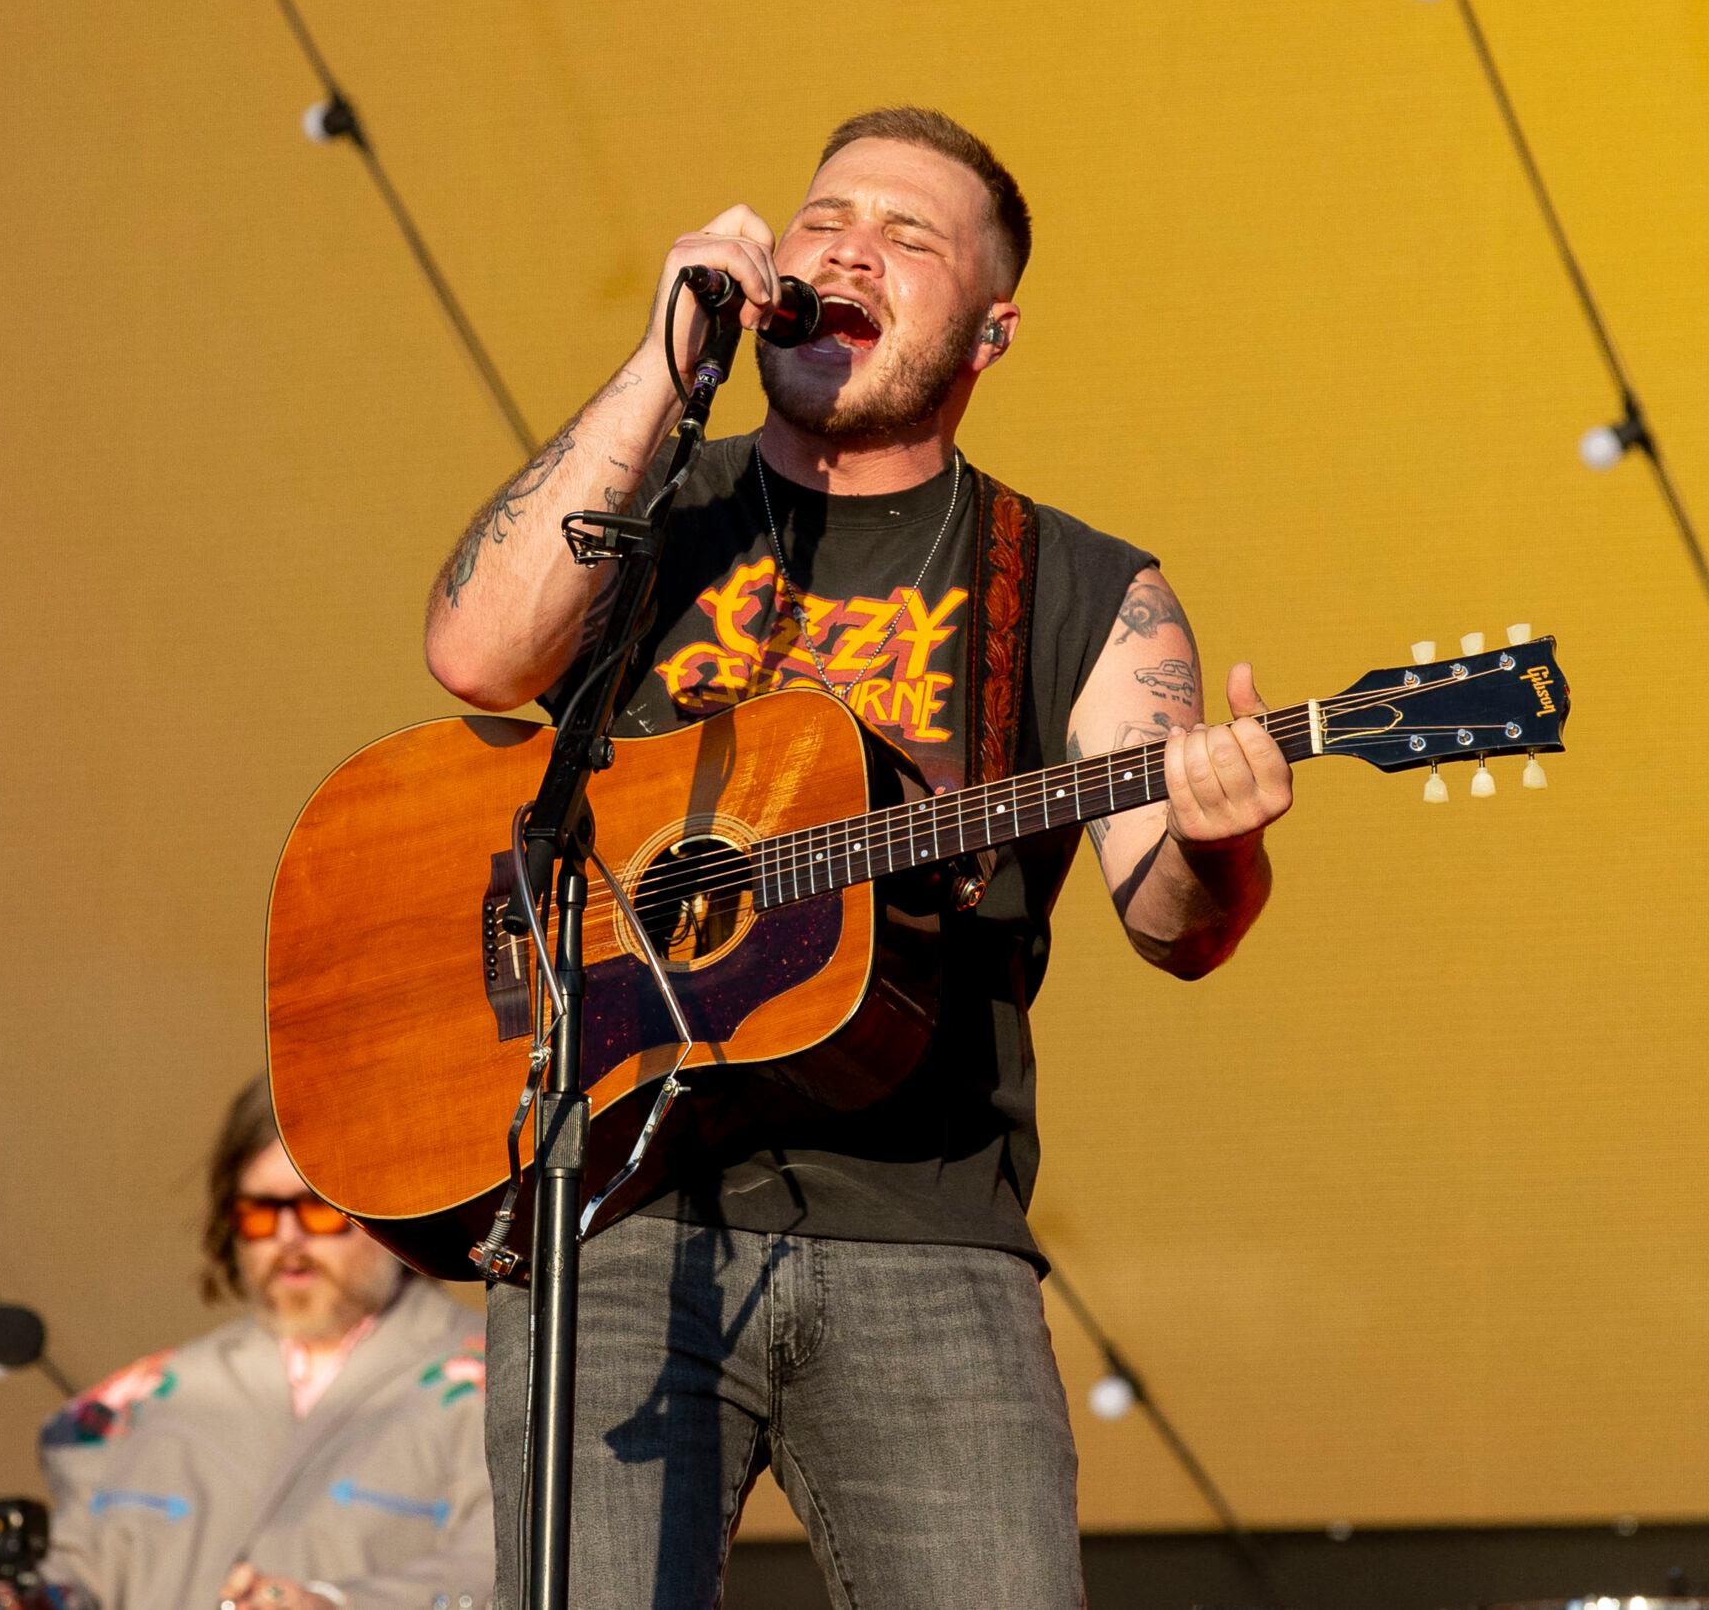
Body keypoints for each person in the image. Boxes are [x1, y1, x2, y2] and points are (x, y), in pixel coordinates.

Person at [422, 107, 1293, 1608]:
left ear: (989, 329)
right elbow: (476, 654)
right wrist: (662, 364)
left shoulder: (1082, 584)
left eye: (907, 237)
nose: (846, 249)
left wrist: (1220, 844)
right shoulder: (646, 521)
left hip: (926, 1233)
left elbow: (1177, 919)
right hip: (619, 1209)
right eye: (828, 218)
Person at [0, 1077, 493, 1610]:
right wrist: (31, 1597)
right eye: (261, 1213)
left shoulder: (502, 1384)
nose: (288, 1240)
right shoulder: (155, 1394)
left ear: (386, 1210)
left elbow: (500, 1572)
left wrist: (332, 1605)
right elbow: (85, 1564)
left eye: (319, 1209)